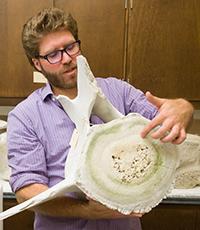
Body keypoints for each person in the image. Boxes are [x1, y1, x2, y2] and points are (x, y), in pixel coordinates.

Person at [7, 7, 193, 230]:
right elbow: (26, 190)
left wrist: (183, 108)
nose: (67, 59)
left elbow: (164, 125)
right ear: (37, 63)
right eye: (53, 54)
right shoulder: (25, 116)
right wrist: (85, 210)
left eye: (70, 47)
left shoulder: (119, 91)